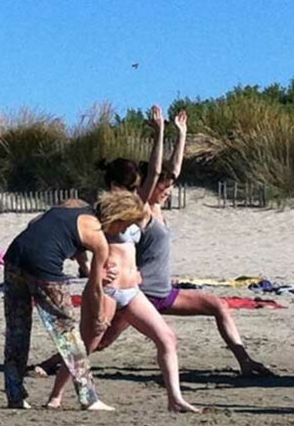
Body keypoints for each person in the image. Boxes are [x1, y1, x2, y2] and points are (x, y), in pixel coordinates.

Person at [85, 106, 272, 378]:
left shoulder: (158, 209)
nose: (168, 191)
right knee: (100, 340)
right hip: (142, 294)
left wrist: (182, 133)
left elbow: (172, 171)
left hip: (164, 293)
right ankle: (51, 364)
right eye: (164, 187)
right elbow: (158, 170)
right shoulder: (141, 209)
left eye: (170, 188)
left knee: (218, 305)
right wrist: (160, 132)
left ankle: (245, 362)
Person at [58, 188, 197, 412]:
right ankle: (56, 395)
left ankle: (175, 399)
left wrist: (137, 270)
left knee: (168, 339)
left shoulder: (133, 217)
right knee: (87, 345)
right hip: (107, 291)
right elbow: (71, 232)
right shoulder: (99, 223)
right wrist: (91, 270)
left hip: (132, 291)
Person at [0, 183, 117, 410]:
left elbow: (36, 224)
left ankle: (14, 395)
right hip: (44, 266)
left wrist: (81, 263)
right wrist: (100, 315)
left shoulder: (73, 207)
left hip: (14, 256)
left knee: (17, 329)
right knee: (68, 332)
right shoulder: (99, 238)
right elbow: (94, 287)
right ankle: (88, 397)